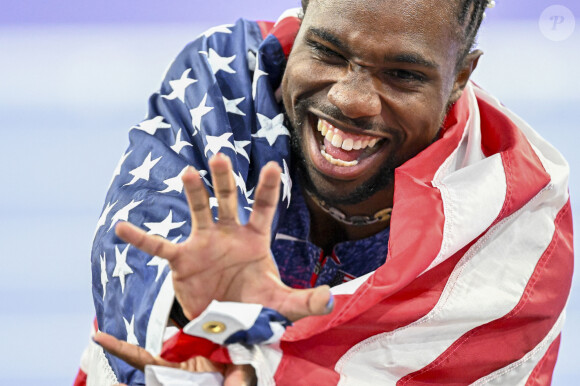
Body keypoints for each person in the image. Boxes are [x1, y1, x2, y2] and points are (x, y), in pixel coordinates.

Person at [75, 0, 574, 385]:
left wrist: (255, 368)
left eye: (402, 75)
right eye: (328, 52)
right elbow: (133, 261)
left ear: (460, 77)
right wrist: (190, 315)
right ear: (305, 13)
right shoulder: (220, 82)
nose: (349, 99)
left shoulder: (516, 221)